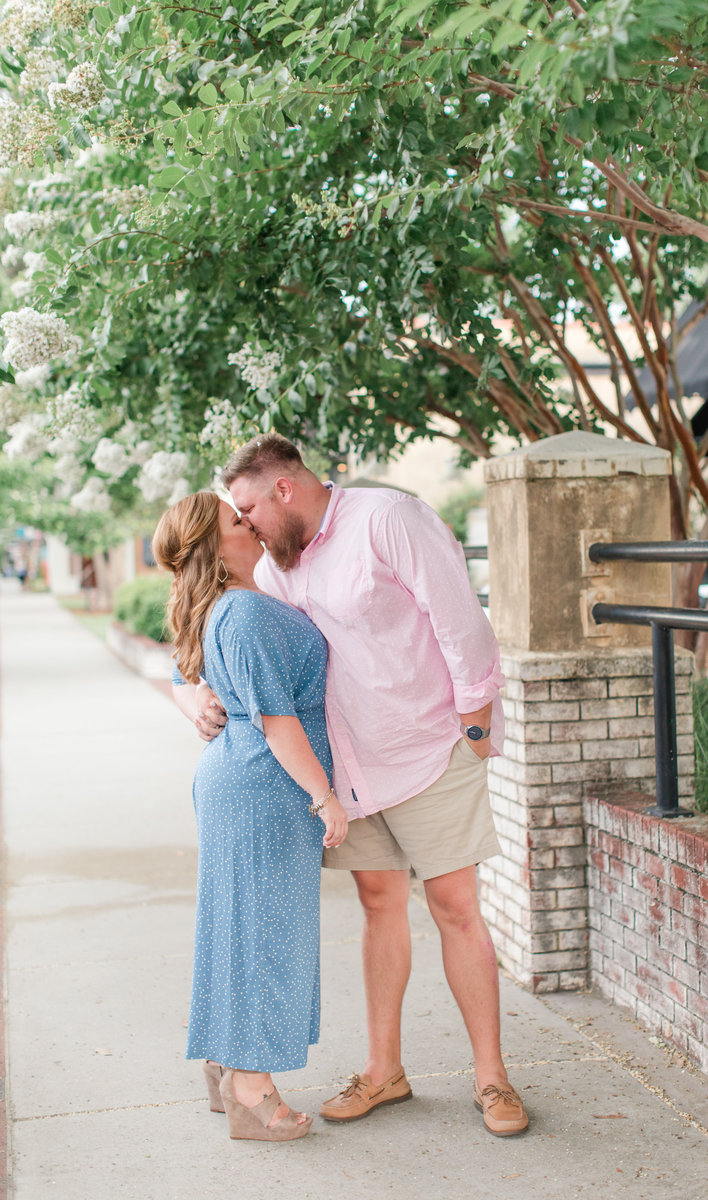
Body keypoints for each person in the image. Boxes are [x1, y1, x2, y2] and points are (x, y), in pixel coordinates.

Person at [194, 434, 529, 1139]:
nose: (246, 521)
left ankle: (492, 1078)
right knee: (380, 905)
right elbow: (224, 638)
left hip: (426, 753)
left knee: (455, 906)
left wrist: (474, 723)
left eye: (249, 505)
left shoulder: (388, 519)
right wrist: (193, 697)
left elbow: (460, 620)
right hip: (349, 774)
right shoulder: (276, 567)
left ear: (284, 487)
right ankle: (385, 1072)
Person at [153, 490, 348, 1143]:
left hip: (247, 787)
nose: (253, 524)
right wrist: (325, 799)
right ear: (218, 546)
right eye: (239, 521)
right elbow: (276, 720)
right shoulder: (242, 612)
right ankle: (251, 1090)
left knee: (239, 931)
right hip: (265, 790)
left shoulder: (232, 607)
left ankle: (225, 1067)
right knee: (264, 940)